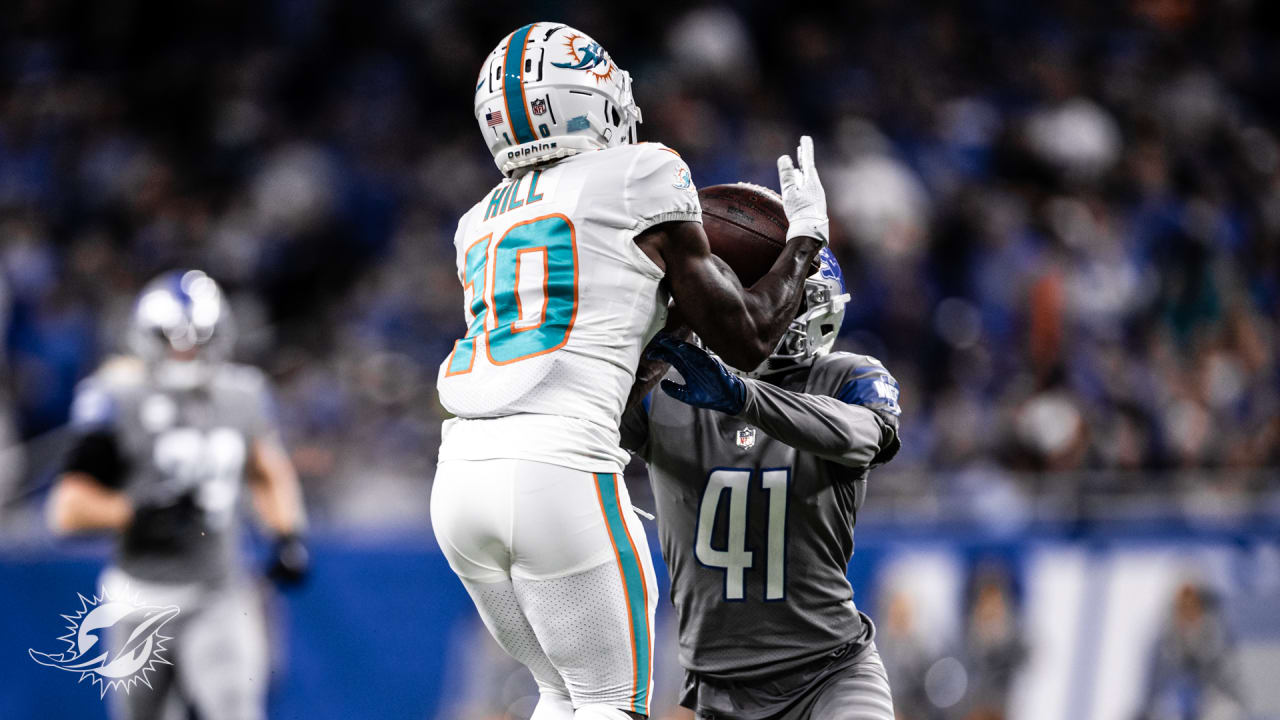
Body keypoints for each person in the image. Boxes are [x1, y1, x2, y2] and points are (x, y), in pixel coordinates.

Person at [430, 21, 829, 720]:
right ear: (586, 98)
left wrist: (663, 323)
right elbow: (748, 336)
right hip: (557, 468)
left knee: (560, 697)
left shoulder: (476, 223)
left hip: (460, 476)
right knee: (617, 703)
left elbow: (604, 334)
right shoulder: (642, 172)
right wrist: (805, 240)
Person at [620, 247, 902, 720]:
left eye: (785, 300)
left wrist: (744, 396)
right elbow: (586, 411)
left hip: (830, 674)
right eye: (748, 294)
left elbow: (863, 437)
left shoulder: (844, 377)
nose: (767, 311)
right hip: (718, 690)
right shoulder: (666, 384)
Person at [46, 270, 309, 720]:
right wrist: (135, 512)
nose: (186, 350)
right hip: (138, 598)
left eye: (198, 338)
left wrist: (287, 533)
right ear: (148, 338)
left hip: (218, 590)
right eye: (173, 338)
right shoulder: (117, 396)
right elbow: (66, 510)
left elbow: (267, 470)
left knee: (235, 711)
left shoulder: (241, 394)